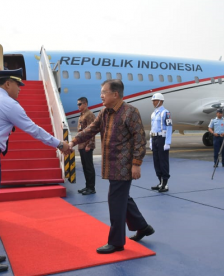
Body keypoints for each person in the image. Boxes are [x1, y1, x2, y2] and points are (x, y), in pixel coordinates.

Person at [0, 68, 69, 273]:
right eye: (18, 85)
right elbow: (33, 129)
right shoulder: (8, 103)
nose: (20, 90)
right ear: (8, 84)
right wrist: (59, 144)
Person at [68, 79, 154, 254]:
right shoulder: (104, 113)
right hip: (110, 165)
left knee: (115, 202)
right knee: (123, 199)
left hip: (124, 166)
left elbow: (140, 140)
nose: (101, 96)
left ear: (115, 94)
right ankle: (143, 227)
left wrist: (136, 164)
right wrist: (73, 142)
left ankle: (116, 242)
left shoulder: (130, 112)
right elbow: (91, 129)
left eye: (104, 92)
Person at [150, 93, 172, 193]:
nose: (154, 102)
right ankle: (160, 182)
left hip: (162, 139)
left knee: (163, 161)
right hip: (154, 138)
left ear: (161, 101)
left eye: (155, 100)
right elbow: (152, 128)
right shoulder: (154, 113)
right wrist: (151, 141)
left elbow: (169, 127)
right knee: (156, 161)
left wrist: (167, 142)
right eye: (153, 101)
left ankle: (165, 184)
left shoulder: (166, 113)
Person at [76, 97, 96, 195]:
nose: (78, 106)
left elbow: (92, 131)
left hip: (87, 145)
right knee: (84, 167)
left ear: (85, 104)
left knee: (89, 167)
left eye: (80, 104)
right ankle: (87, 186)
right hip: (81, 145)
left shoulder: (89, 115)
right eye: (78, 104)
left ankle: (91, 188)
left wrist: (90, 144)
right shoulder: (81, 115)